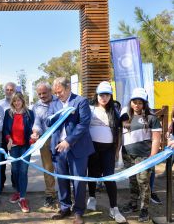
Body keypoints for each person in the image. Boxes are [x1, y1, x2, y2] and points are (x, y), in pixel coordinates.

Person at [47, 77, 94, 224]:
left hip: (77, 148)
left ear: (68, 89)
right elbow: (48, 121)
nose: (57, 95)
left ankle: (78, 211)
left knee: (79, 181)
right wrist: (52, 118)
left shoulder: (81, 101)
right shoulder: (54, 103)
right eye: (55, 92)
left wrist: (68, 140)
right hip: (58, 148)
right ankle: (65, 207)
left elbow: (84, 124)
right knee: (62, 179)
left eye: (59, 91)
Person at [85, 82, 126, 223]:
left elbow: (119, 132)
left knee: (109, 177)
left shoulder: (115, 109)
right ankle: (92, 198)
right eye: (101, 94)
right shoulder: (89, 108)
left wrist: (117, 150)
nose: (104, 97)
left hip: (109, 149)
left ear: (110, 95)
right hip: (92, 148)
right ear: (96, 94)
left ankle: (114, 208)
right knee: (92, 174)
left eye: (107, 94)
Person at [120, 88, 161, 222]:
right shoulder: (125, 117)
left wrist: (152, 157)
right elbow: (120, 136)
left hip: (143, 157)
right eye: (134, 102)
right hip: (128, 156)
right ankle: (133, 204)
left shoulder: (151, 118)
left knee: (143, 183)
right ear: (130, 102)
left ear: (144, 104)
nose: (136, 105)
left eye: (140, 102)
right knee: (132, 182)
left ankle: (144, 210)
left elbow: (156, 139)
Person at [3, 92, 34, 213]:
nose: (16, 103)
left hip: (26, 147)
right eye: (14, 101)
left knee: (23, 170)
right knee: (15, 170)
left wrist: (33, 138)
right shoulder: (8, 113)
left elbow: (32, 129)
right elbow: (6, 129)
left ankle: (22, 198)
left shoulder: (29, 113)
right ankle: (17, 191)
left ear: (23, 101)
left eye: (19, 101)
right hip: (14, 147)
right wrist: (8, 139)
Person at [30, 82, 57, 207]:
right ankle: (50, 194)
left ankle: (66, 194)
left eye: (44, 93)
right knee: (48, 168)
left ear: (50, 91)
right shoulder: (36, 107)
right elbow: (37, 123)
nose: (42, 96)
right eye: (39, 93)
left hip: (61, 139)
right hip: (45, 140)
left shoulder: (59, 102)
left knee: (64, 166)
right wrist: (35, 132)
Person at [0, 82, 17, 190]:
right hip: (2, 137)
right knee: (1, 163)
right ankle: (0, 184)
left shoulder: (18, 103)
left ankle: (16, 184)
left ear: (15, 91)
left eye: (11, 90)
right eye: (7, 90)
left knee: (15, 163)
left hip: (15, 138)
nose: (9, 92)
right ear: (4, 91)